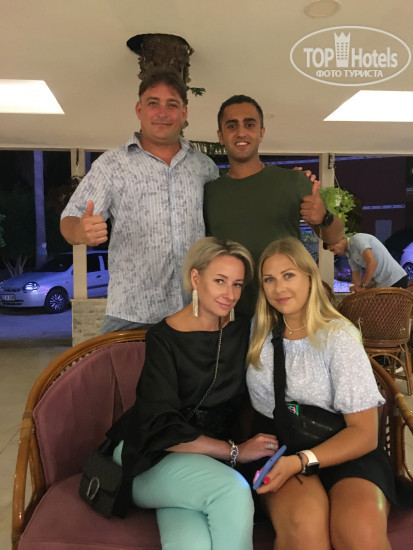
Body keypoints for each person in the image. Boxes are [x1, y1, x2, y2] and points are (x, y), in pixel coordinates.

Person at [107, 237, 278, 550]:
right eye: (220, 281)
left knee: (191, 544)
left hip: (202, 465)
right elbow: (160, 426)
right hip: (148, 456)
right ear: (196, 279)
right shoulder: (163, 338)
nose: (230, 294)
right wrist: (235, 451)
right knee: (232, 490)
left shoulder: (242, 333)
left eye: (237, 284)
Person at [245, 236, 412, 550]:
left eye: (288, 275)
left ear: (309, 277)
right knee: (305, 529)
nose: (279, 288)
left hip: (345, 446)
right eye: (269, 279)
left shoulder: (338, 337)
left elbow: (364, 434)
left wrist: (303, 460)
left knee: (360, 534)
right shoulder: (259, 330)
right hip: (279, 447)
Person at [60, 70, 219, 333]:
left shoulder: (205, 167)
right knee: (112, 364)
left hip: (191, 312)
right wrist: (80, 231)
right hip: (131, 314)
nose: (162, 113)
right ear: (139, 109)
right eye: (153, 103)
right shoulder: (111, 165)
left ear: (184, 113)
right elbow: (69, 219)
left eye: (172, 105)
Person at [204, 95, 344, 316]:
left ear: (261, 132)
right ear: (221, 136)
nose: (241, 132)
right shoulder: (209, 192)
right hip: (232, 314)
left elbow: (335, 237)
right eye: (231, 126)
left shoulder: (293, 181)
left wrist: (323, 216)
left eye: (249, 124)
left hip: (286, 312)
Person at [326, 232, 408, 291]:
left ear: (337, 242)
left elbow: (372, 263)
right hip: (384, 284)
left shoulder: (357, 239)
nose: (334, 253)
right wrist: (357, 287)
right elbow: (356, 273)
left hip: (396, 279)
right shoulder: (350, 253)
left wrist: (364, 285)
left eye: (333, 250)